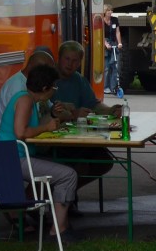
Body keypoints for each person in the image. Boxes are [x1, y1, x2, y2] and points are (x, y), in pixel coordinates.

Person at [0, 61, 79, 241]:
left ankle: (58, 222)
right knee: (68, 175)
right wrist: (46, 127)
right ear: (44, 88)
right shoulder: (25, 101)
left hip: (13, 156)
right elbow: (20, 132)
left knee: (60, 167)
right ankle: (58, 230)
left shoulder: (27, 99)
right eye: (54, 87)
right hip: (13, 159)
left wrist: (51, 119)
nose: (54, 90)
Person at [50, 40, 122, 194]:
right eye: (67, 59)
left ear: (79, 63)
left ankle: (67, 193)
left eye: (75, 60)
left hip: (75, 139)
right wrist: (73, 114)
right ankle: (63, 196)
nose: (70, 64)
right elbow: (47, 111)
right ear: (59, 58)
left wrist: (111, 110)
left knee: (104, 161)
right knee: (79, 164)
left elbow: (94, 104)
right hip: (52, 141)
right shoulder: (49, 78)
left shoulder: (78, 79)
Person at [0, 47, 54, 137]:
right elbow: (21, 132)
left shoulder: (33, 90)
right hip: (10, 145)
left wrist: (53, 113)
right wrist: (46, 127)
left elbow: (36, 122)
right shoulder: (20, 91)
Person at [103, 5, 123, 97]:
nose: (110, 12)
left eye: (111, 10)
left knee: (115, 65)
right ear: (105, 12)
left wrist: (119, 43)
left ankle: (114, 87)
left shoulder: (115, 20)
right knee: (107, 67)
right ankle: (105, 87)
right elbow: (101, 33)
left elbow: (117, 32)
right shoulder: (101, 20)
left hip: (113, 42)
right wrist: (106, 44)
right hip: (105, 42)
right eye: (108, 11)